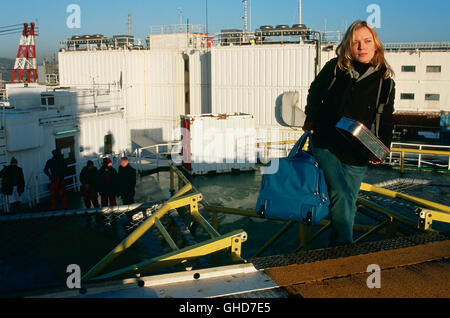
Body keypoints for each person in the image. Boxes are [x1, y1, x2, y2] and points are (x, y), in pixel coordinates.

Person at [303, 20, 395, 246]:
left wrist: (381, 149)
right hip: (327, 141)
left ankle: (338, 248)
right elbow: (315, 92)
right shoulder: (335, 67)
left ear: (376, 46)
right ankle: (345, 249)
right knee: (341, 194)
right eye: (356, 43)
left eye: (367, 41)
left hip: (358, 148)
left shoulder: (385, 81)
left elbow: (386, 117)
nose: (362, 47)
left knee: (348, 200)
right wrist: (311, 118)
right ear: (348, 46)